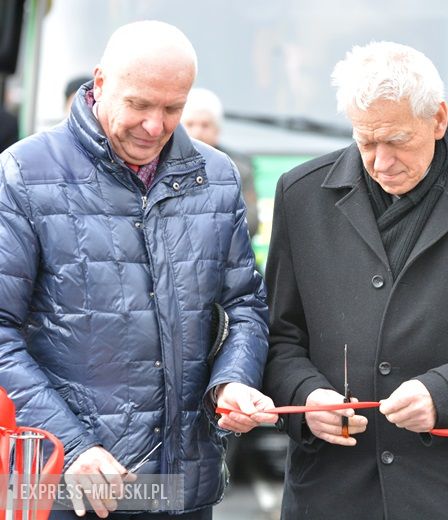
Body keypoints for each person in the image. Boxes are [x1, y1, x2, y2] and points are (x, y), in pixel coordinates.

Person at [262, 41, 448, 520]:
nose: (381, 163)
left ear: (439, 119)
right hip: (333, 492)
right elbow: (279, 334)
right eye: (366, 142)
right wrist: (304, 396)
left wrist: (446, 394)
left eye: (397, 141)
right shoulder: (300, 195)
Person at [0, 20, 278, 519]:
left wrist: (232, 380)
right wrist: (73, 447)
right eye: (139, 105)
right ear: (100, 82)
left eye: (173, 108)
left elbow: (244, 305)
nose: (155, 125)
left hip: (181, 486)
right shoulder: (22, 173)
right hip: (63, 484)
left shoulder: (216, 177)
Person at [180, 87, 259, 238]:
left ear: (217, 131)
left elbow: (251, 223)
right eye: (190, 124)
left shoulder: (237, 168)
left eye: (205, 125)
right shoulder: (161, 165)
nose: (197, 132)